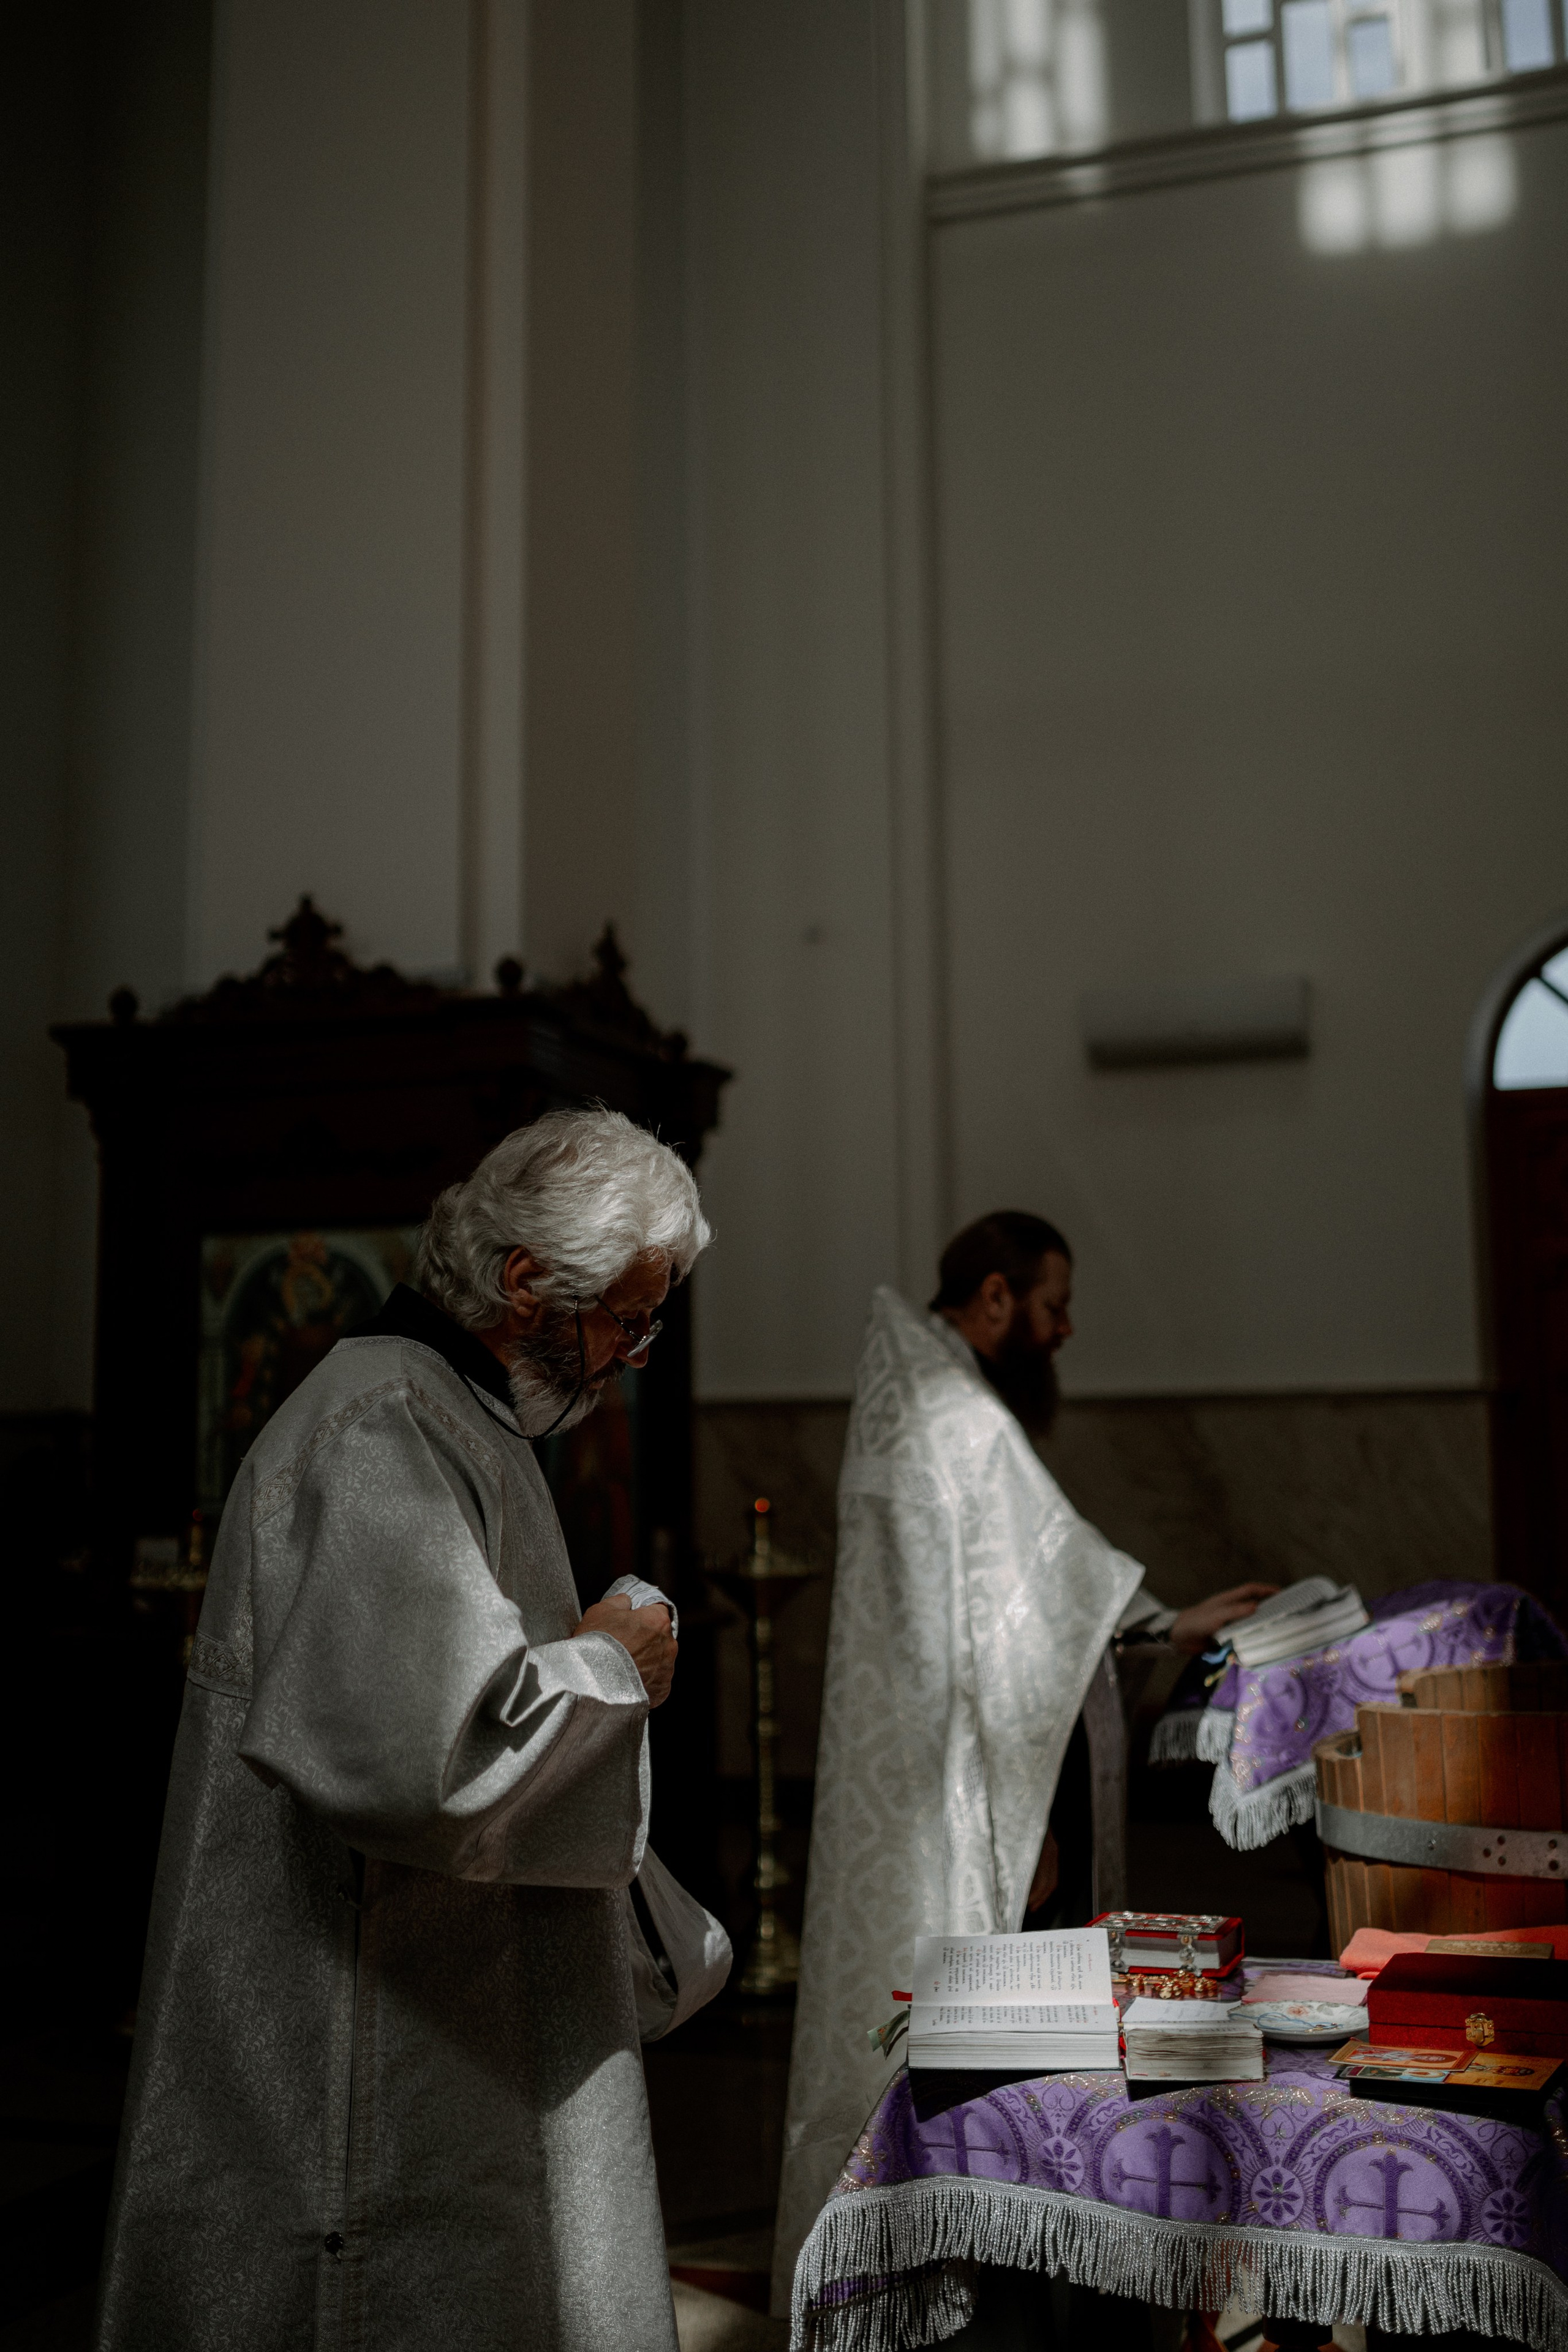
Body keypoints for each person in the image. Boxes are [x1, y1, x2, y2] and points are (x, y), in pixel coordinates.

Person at [96, 1107, 710, 2352]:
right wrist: (609, 1661)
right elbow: (427, 1759)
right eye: (627, 1316)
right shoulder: (384, 1422)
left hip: (438, 1978)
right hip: (352, 2022)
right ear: (525, 1278)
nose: (636, 1352)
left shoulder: (450, 1406)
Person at [771, 1211, 1274, 2312]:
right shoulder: (946, 1408)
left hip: (996, 1769)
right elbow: (1015, 1621)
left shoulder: (945, 1395)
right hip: (978, 1787)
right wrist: (1015, 1812)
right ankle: (984, 2260)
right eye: (1053, 1306)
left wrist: (1163, 1624)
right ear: (994, 1297)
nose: (1067, 1328)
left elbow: (1031, 1596)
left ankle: (1010, 2252)